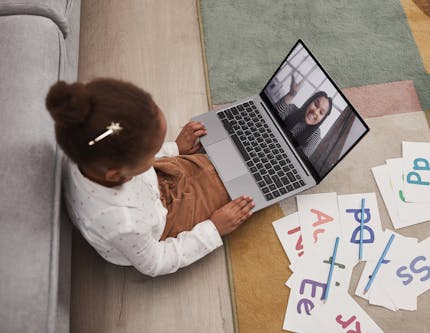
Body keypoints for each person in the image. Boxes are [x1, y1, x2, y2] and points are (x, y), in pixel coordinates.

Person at [45, 78, 254, 277]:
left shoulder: (83, 146)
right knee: (240, 187)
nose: (156, 152)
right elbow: (156, 262)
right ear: (117, 174)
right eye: (151, 151)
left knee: (222, 163)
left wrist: (175, 148)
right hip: (160, 222)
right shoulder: (124, 224)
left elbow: (141, 163)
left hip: (149, 190)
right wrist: (213, 228)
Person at [275, 75, 333, 157]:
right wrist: (291, 94)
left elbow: (301, 159)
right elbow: (270, 116)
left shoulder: (315, 135)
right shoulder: (291, 109)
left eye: (321, 112)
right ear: (310, 102)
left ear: (322, 119)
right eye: (316, 104)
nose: (315, 112)